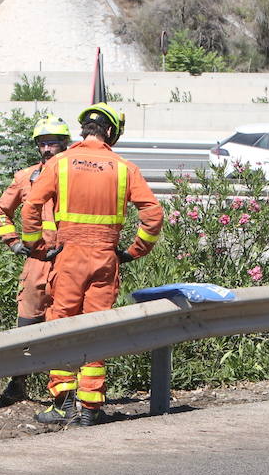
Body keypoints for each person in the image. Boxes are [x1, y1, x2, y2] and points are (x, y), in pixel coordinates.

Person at [19, 103, 163, 428]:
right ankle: (90, 408)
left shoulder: (60, 163)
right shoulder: (124, 168)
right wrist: (134, 250)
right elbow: (153, 215)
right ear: (110, 132)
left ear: (85, 130)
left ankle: (62, 403)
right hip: (105, 258)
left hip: (68, 258)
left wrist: (38, 247)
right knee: (96, 330)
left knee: (60, 325)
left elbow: (31, 206)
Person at [0, 114, 72, 406]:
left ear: (66, 144)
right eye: (42, 144)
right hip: (37, 262)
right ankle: (17, 383)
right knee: (27, 323)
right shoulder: (26, 177)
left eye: (53, 143)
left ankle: (65, 394)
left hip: (68, 262)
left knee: (66, 326)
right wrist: (13, 241)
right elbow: (1, 211)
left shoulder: (75, 177)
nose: (47, 149)